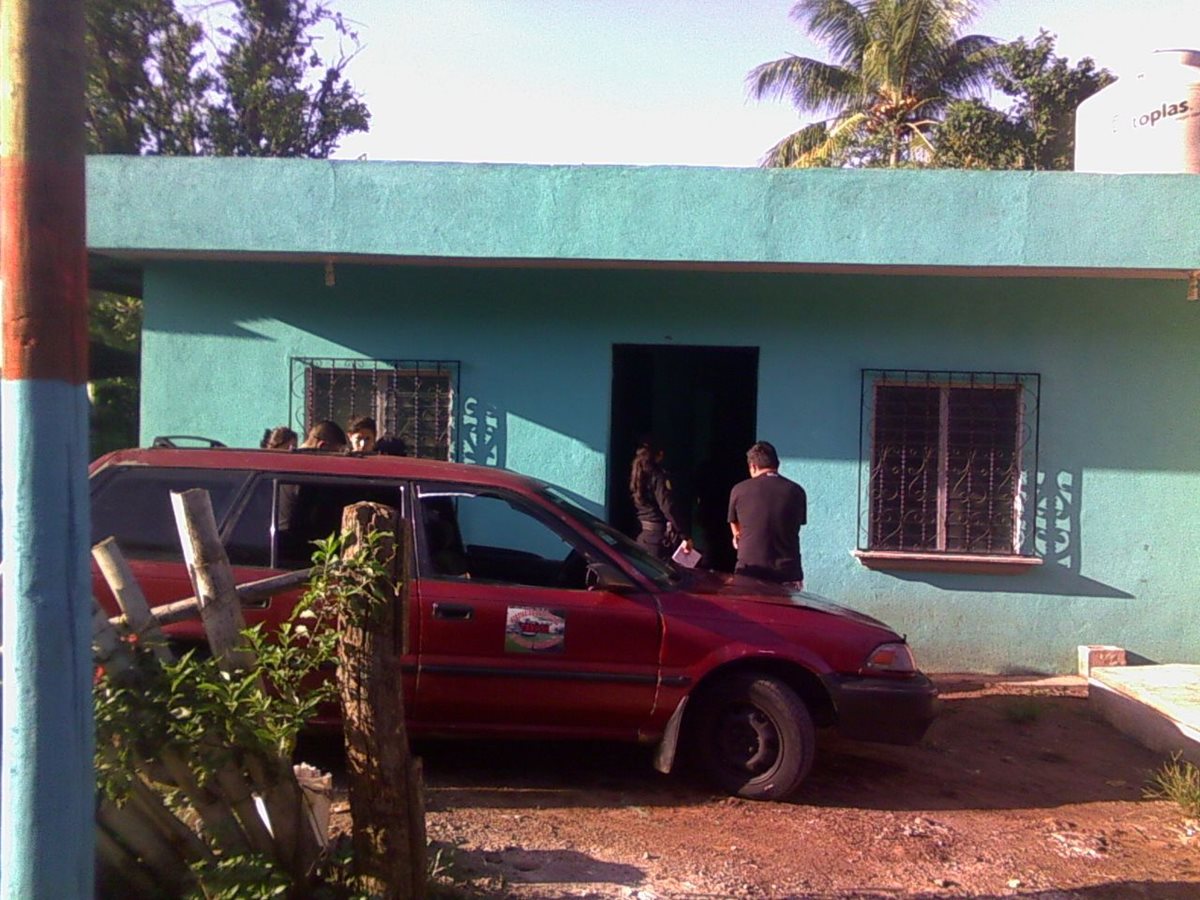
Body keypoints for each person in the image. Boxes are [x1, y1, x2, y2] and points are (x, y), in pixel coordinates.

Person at [727, 440, 807, 588]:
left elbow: (735, 524)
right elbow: (796, 525)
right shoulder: (797, 491)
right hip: (787, 572)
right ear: (778, 464)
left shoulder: (739, 490)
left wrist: (737, 535)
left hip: (749, 572)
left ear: (753, 466)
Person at [629, 437, 692, 561]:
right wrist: (684, 535)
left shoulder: (638, 475)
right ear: (659, 454)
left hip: (644, 536)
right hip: (658, 539)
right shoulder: (658, 476)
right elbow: (668, 507)